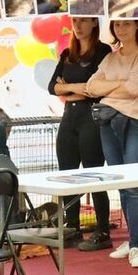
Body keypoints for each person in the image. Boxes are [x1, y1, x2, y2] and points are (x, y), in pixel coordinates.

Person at [84, 18, 138, 268]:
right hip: (108, 121)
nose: (122, 29)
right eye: (117, 25)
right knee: (121, 183)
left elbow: (136, 88)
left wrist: (107, 91)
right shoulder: (110, 58)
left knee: (134, 184)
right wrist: (119, 85)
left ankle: (137, 245)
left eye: (127, 24)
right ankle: (132, 239)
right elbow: (91, 86)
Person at [49, 16, 114, 249]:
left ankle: (103, 230)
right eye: (75, 21)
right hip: (69, 117)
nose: (78, 26)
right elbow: (52, 87)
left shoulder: (103, 51)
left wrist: (68, 88)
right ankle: (72, 227)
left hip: (91, 116)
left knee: (93, 174)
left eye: (84, 21)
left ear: (94, 24)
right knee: (67, 175)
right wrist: (78, 90)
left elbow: (97, 89)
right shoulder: (68, 54)